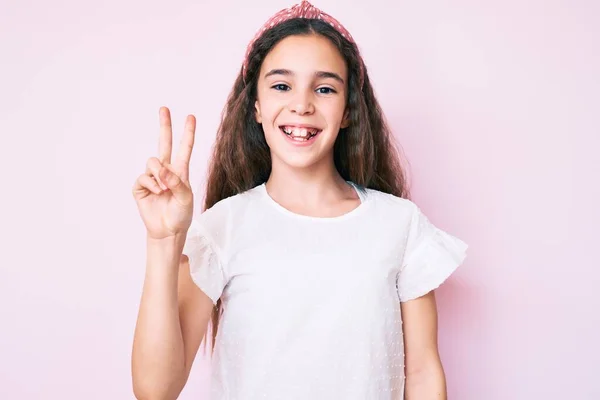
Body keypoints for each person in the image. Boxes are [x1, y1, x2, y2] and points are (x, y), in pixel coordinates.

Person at [131, 1, 468, 399]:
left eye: (324, 88)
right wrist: (162, 242)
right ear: (256, 106)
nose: (302, 104)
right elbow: (156, 389)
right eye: (281, 85)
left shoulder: (401, 225)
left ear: (347, 112)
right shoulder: (223, 226)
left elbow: (424, 374)